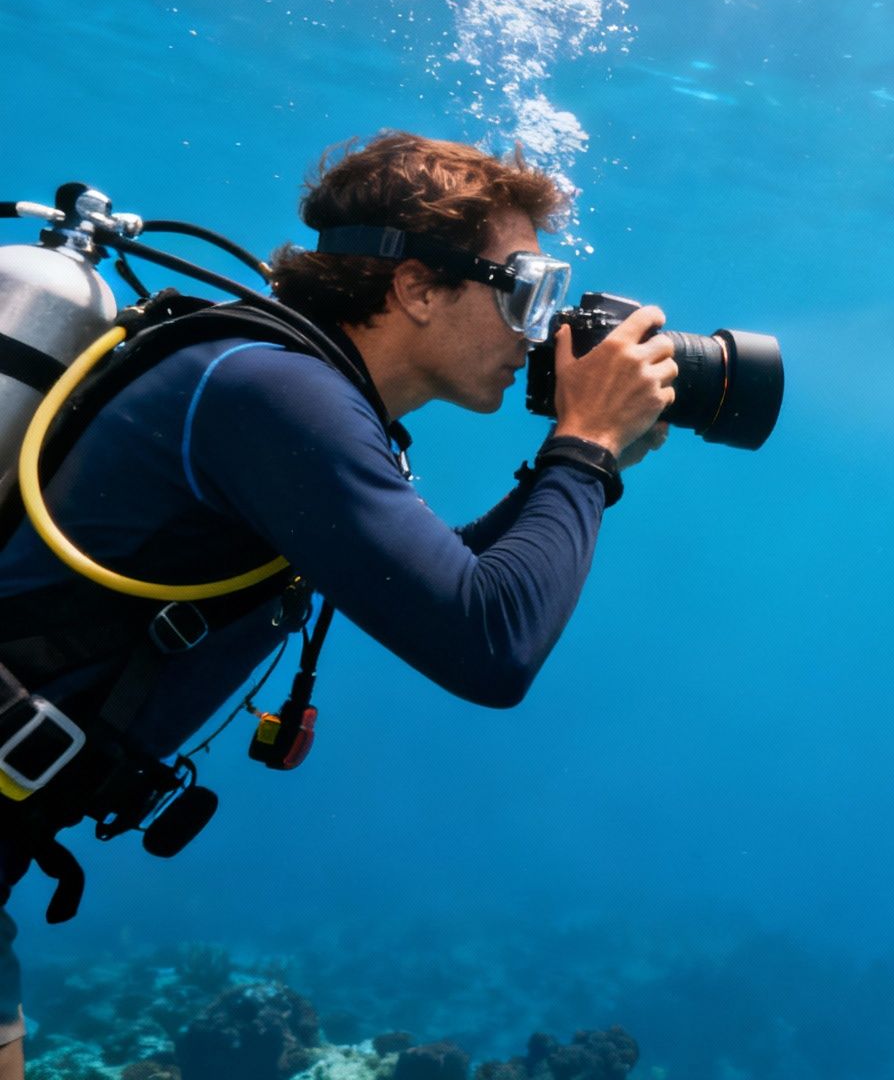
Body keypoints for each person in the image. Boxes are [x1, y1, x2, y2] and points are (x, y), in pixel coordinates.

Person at [0, 132, 678, 1077]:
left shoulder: (288, 389)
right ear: (418, 287)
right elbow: (491, 644)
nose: (541, 328)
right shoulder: (277, 393)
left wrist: (578, 464)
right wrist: (585, 447)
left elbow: (441, 585)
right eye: (524, 289)